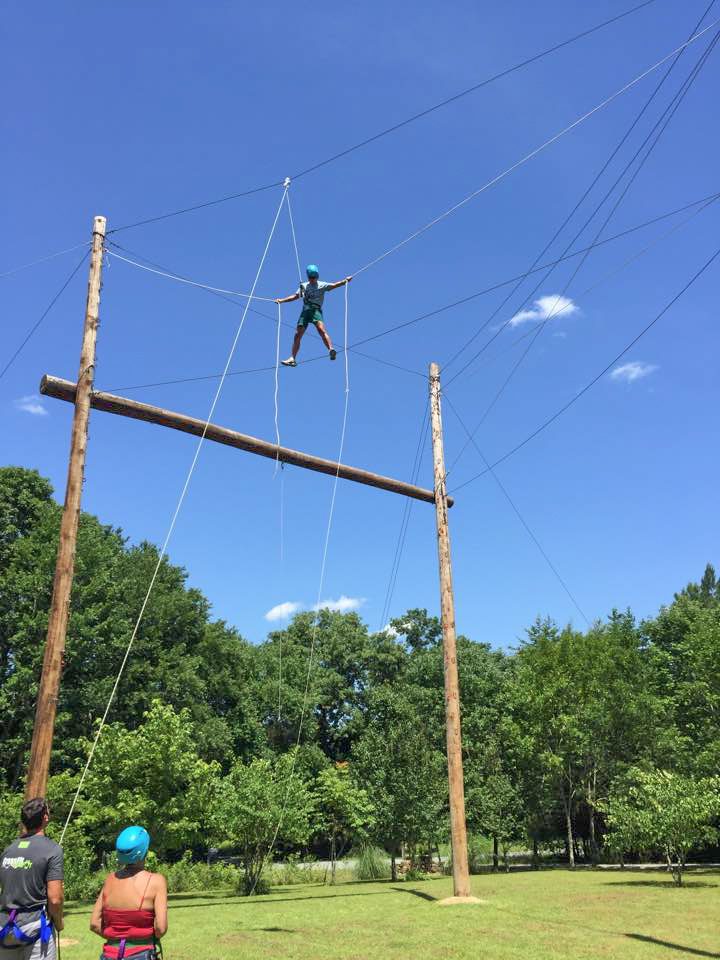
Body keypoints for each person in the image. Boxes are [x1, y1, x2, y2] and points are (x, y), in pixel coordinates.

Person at [0, 797, 64, 959]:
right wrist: (59, 922)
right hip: (34, 926)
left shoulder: (8, 850)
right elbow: (55, 899)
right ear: (45, 817)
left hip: (4, 926)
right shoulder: (52, 850)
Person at [90, 826, 167, 960]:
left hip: (110, 955)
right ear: (144, 851)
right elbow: (161, 928)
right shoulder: (156, 881)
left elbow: (94, 924)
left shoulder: (110, 880)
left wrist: (117, 939)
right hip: (142, 954)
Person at [276, 264, 352, 367]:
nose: (313, 279)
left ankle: (331, 349)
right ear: (308, 277)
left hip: (315, 310)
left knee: (321, 329)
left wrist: (344, 281)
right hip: (305, 312)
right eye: (311, 277)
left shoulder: (322, 285)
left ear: (317, 276)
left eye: (314, 277)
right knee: (297, 334)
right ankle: (292, 358)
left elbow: (334, 285)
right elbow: (295, 297)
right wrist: (281, 300)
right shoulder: (304, 286)